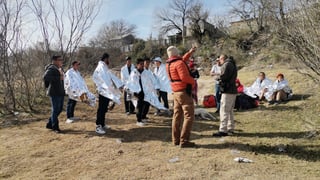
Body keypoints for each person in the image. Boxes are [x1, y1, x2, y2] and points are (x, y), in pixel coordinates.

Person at [166, 46, 196, 148]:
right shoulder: (179, 63)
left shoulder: (170, 64)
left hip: (175, 92)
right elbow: (184, 77)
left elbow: (182, 60)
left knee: (177, 116)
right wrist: (193, 81)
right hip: (183, 92)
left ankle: (176, 140)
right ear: (176, 53)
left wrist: (190, 52)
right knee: (189, 116)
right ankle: (184, 140)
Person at [125, 58, 166, 127]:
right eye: (141, 64)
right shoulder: (134, 72)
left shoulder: (145, 72)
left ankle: (143, 117)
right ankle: (139, 120)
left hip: (146, 91)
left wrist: (155, 88)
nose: (142, 66)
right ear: (137, 65)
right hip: (138, 92)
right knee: (139, 106)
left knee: (146, 104)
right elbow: (131, 83)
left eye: (142, 64)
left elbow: (151, 81)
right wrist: (133, 92)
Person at [92, 53, 124, 134]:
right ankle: (98, 126)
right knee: (101, 109)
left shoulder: (104, 67)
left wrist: (119, 85)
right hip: (103, 92)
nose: (109, 61)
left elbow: (111, 77)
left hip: (106, 91)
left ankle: (102, 124)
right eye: (108, 59)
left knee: (104, 109)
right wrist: (108, 89)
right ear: (105, 59)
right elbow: (101, 79)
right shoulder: (101, 67)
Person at [212, 55, 238, 137]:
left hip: (228, 90)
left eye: (219, 60)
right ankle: (230, 128)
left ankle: (223, 130)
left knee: (224, 110)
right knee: (229, 111)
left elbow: (224, 76)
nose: (219, 61)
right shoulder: (231, 64)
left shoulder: (227, 64)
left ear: (222, 59)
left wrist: (217, 77)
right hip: (232, 90)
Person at [43, 55, 65, 133]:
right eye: (60, 60)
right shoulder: (51, 68)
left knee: (59, 109)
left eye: (62, 59)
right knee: (55, 109)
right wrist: (58, 78)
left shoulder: (60, 68)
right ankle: (55, 127)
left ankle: (50, 123)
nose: (61, 61)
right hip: (54, 92)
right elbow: (46, 77)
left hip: (61, 92)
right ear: (54, 61)